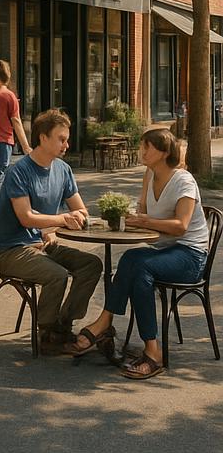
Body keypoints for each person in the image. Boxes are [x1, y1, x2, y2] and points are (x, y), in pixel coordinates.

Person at [68, 128, 210, 378]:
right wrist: (125, 216)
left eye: (147, 147)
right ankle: (150, 349)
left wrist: (144, 222)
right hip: (164, 251)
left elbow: (181, 226)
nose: (141, 151)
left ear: (164, 152)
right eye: (141, 146)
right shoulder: (150, 174)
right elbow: (143, 209)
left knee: (139, 266)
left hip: (190, 255)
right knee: (133, 262)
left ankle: (107, 326)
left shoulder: (183, 181)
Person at [0, 109, 102, 355]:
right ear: (43, 138)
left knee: (92, 264)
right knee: (58, 274)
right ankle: (47, 331)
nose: (67, 144)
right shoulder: (19, 172)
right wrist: (61, 220)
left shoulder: (63, 170)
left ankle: (63, 324)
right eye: (61, 139)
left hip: (43, 245)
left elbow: (81, 210)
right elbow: (26, 217)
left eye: (67, 139)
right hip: (12, 249)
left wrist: (65, 222)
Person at [0, 60, 31, 194]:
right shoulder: (9, 96)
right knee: (0, 175)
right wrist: (25, 146)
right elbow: (16, 121)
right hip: (4, 140)